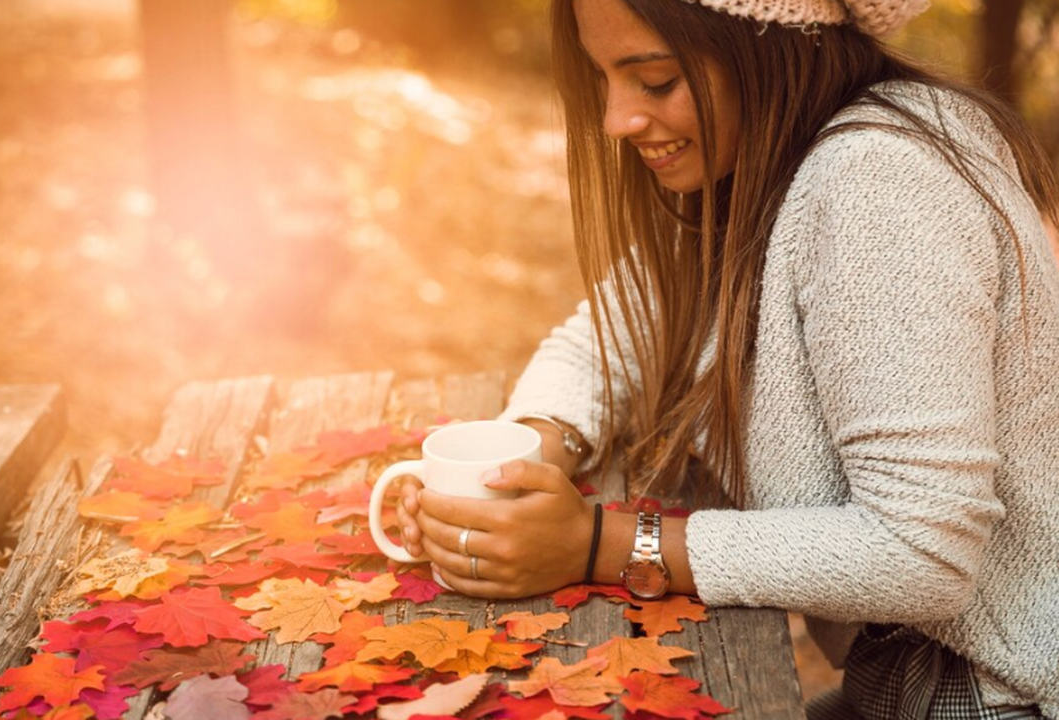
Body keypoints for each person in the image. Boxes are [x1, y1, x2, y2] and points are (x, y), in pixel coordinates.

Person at [393, 0, 1059, 717]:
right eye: (605, 78)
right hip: (901, 683)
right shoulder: (761, 164)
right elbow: (609, 337)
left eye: (654, 82)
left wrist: (598, 544)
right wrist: (524, 459)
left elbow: (921, 552)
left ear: (766, 48)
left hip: (996, 694)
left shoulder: (879, 181)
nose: (617, 120)